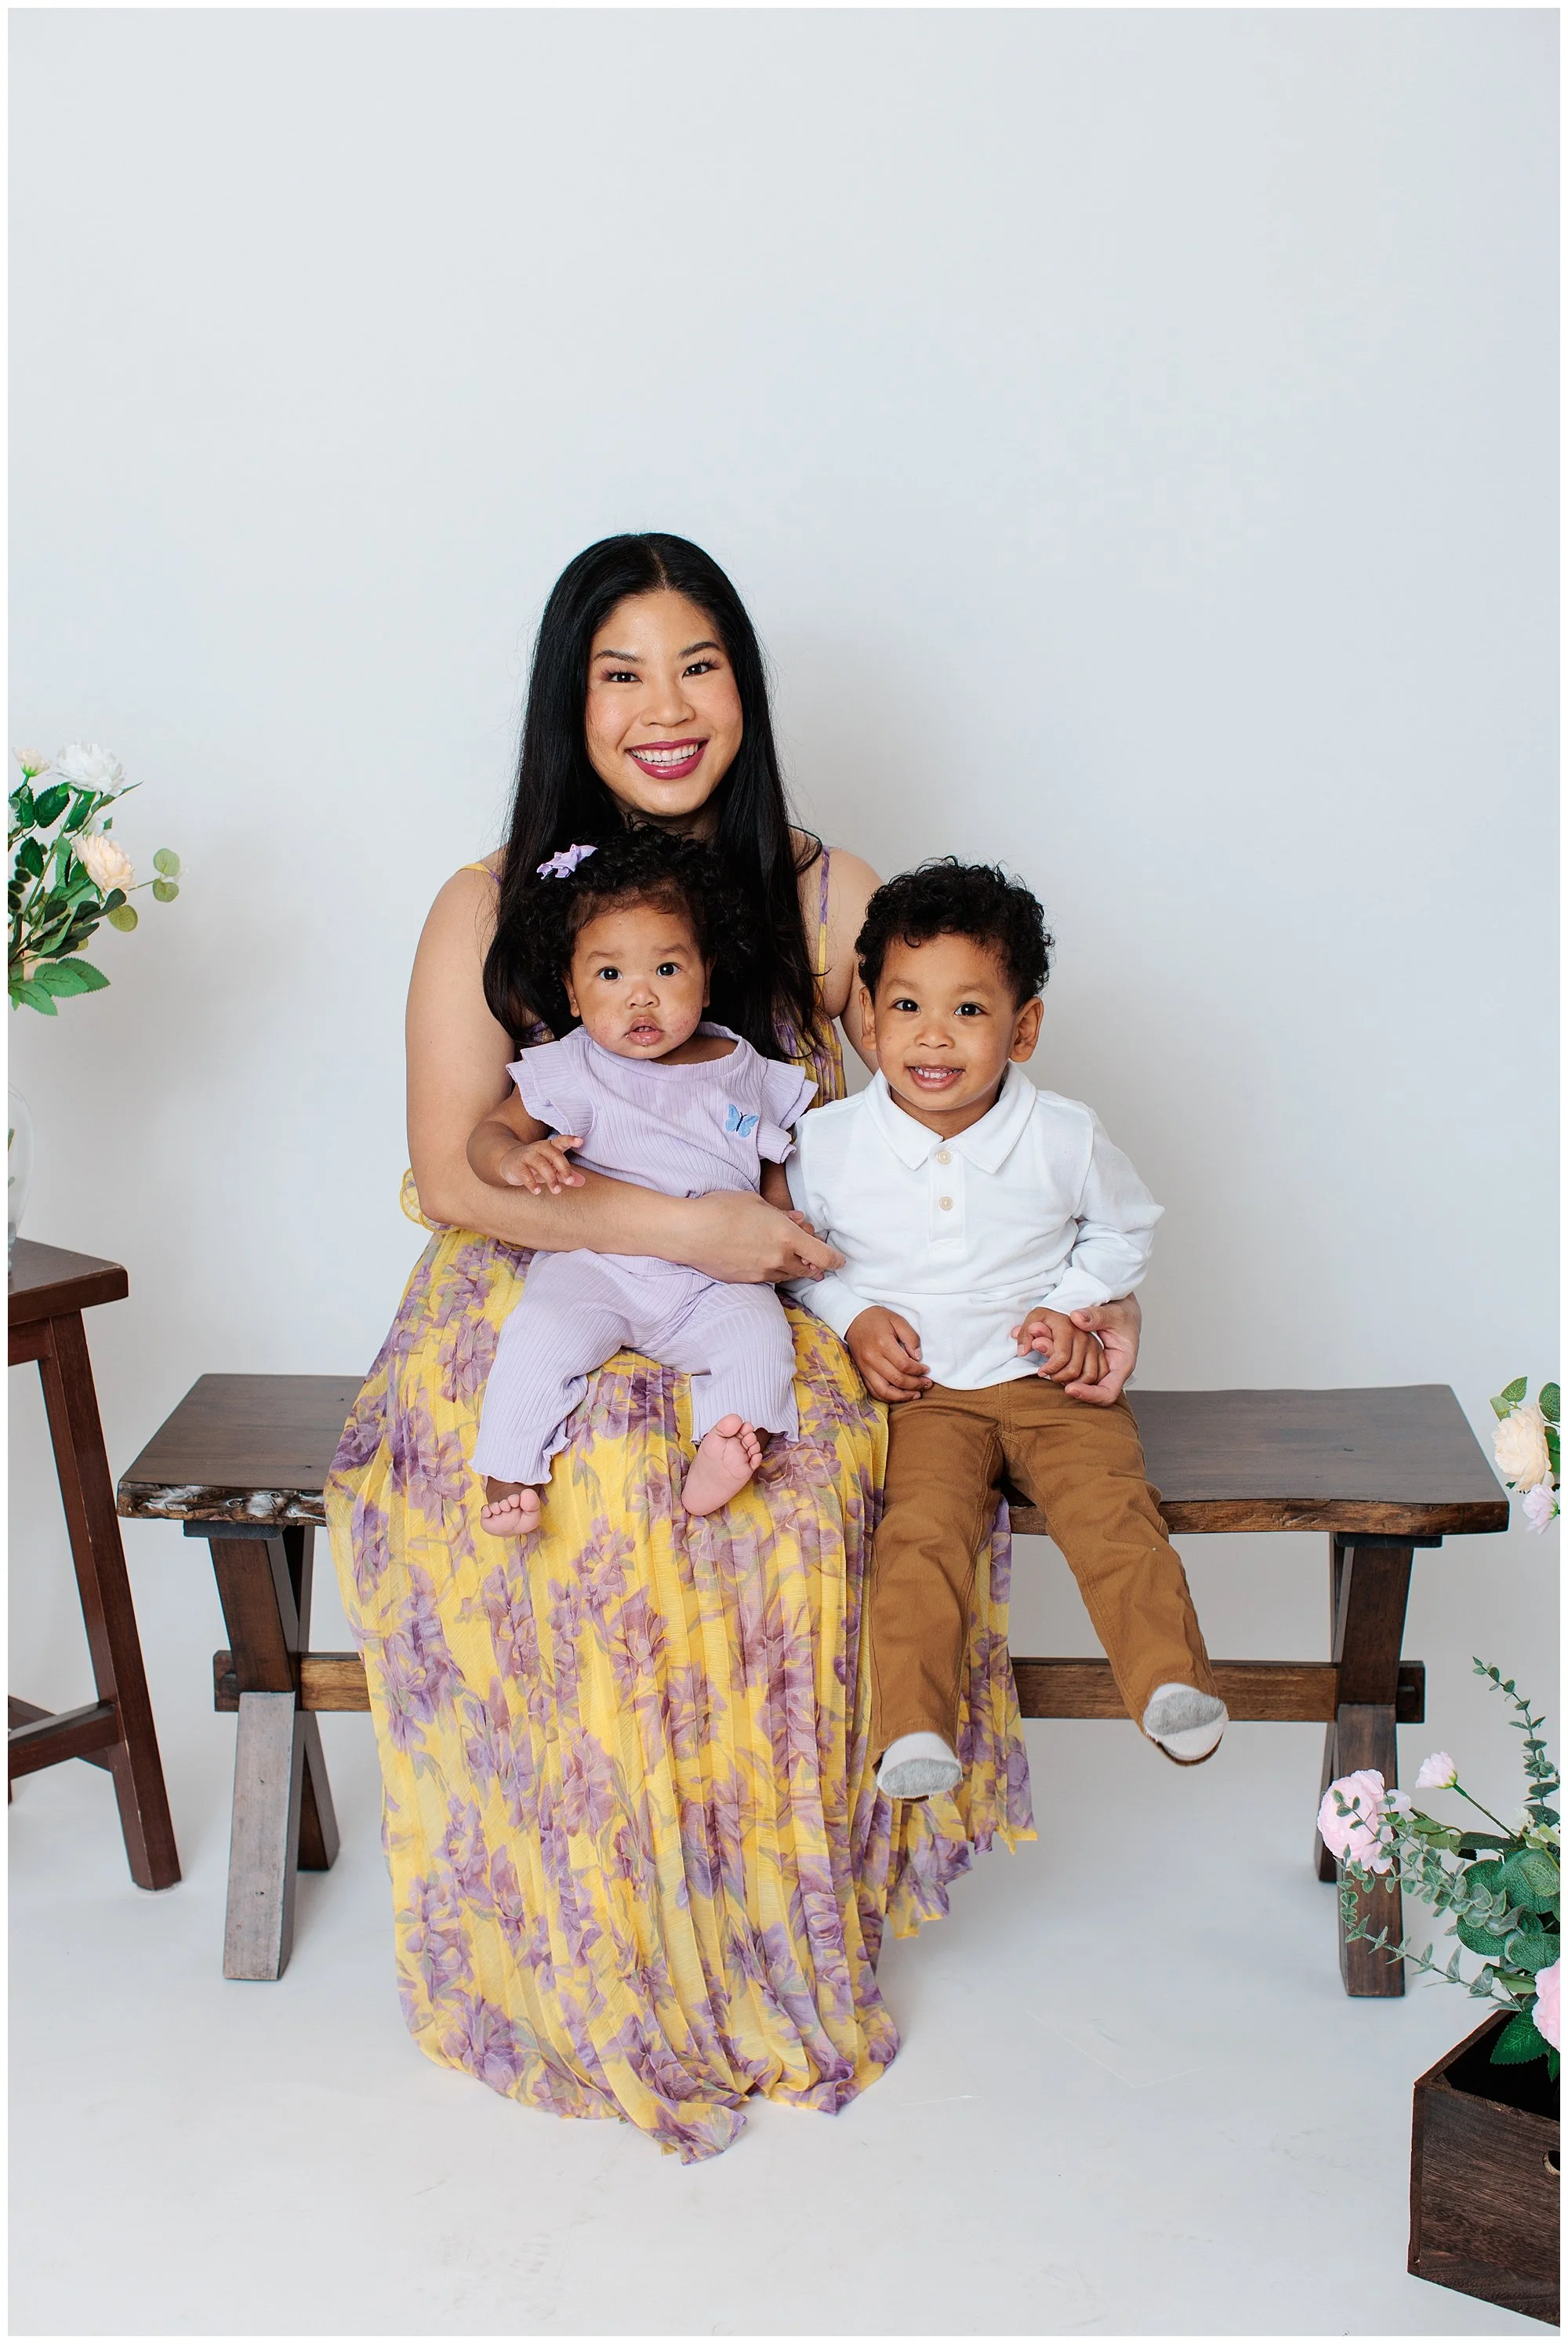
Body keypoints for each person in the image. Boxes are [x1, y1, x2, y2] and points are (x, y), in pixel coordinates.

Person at [325, 532, 1144, 2161]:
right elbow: (447, 1173)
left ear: (743, 689)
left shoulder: (827, 888)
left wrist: (1096, 1283)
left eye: (697, 663)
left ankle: (752, 1915)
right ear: (574, 701)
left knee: (786, 1470)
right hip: (537, 1279)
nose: (664, 706)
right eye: (620, 672)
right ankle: (581, 1925)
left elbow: (957, 1095)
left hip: (762, 1296)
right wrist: (681, 1226)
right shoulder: (486, 903)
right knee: (565, 1480)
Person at [785, 860, 1226, 1799]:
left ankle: (1169, 1682)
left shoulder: (1061, 1134)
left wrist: (1071, 1305)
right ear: (864, 1013)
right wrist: (853, 1314)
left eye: (969, 1011)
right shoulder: (826, 1145)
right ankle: (911, 1729)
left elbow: (1123, 1229)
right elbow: (797, 1261)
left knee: (1111, 1516)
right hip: (924, 1401)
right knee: (918, 1541)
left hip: (1048, 1386)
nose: (931, 1035)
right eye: (904, 1006)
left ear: (1022, 1026)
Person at [465, 826, 814, 1531]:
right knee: (539, 1333)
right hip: (598, 1265)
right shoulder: (573, 1067)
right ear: (570, 988)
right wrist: (512, 1159)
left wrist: (783, 1214)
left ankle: (724, 1446)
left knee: (761, 1345)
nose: (641, 999)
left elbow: (779, 1153)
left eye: (666, 970)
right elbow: (486, 1137)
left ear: (706, 973)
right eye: (610, 975)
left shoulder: (741, 1064)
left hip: (715, 1280)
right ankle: (508, 1470)